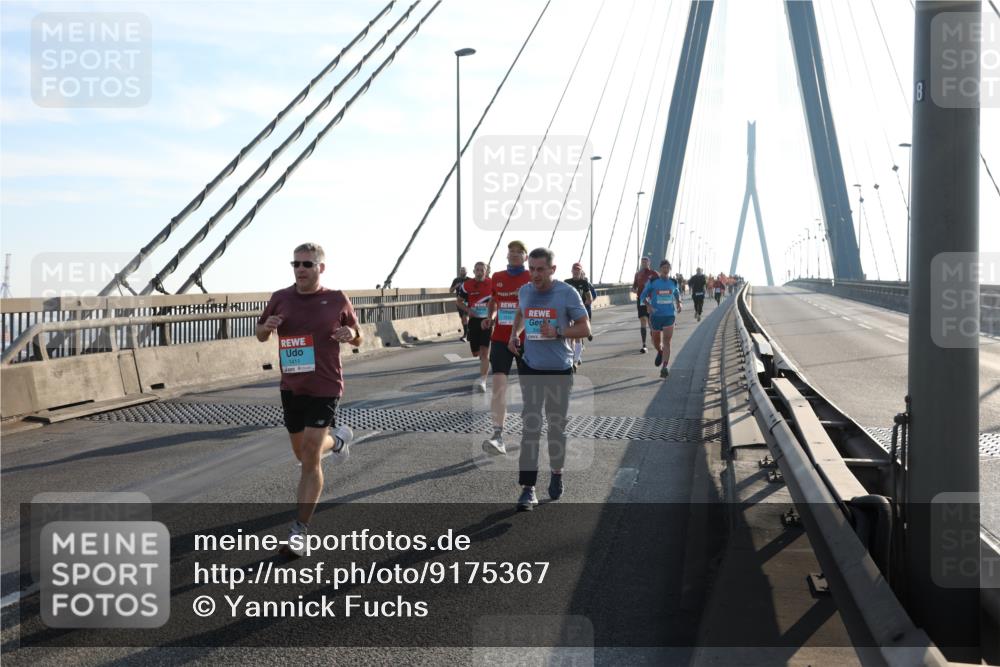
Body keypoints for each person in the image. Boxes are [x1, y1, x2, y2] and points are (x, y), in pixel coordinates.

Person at [256, 243, 362, 557]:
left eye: (307, 264)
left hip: (326, 384)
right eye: (296, 264)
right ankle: (339, 442)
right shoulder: (280, 297)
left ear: (320, 268)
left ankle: (299, 531)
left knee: (312, 456)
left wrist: (349, 334)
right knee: (302, 455)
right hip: (292, 386)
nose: (300, 269)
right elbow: (260, 333)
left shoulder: (337, 298)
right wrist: (267, 327)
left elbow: (358, 334)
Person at [507, 247, 590, 510]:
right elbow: (521, 313)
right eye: (531, 269)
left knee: (556, 428)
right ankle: (528, 489)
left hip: (559, 370)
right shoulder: (525, 291)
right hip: (531, 367)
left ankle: (557, 472)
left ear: (553, 270)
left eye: (540, 269)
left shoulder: (567, 293)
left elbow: (585, 328)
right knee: (530, 427)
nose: (534, 274)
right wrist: (513, 335)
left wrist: (558, 331)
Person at [481, 240, 532, 455]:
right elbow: (494, 301)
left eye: (518, 252)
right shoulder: (497, 277)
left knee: (529, 390)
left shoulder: (531, 277)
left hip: (526, 341)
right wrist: (489, 317)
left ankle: (530, 430)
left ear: (525, 257)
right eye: (510, 251)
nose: (513, 255)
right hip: (501, 338)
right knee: (498, 386)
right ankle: (498, 435)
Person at [640, 259, 682, 379]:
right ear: (660, 269)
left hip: (669, 315)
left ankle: (665, 367)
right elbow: (643, 296)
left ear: (670, 269)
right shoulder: (653, 282)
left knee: (667, 341)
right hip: (655, 316)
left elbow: (677, 293)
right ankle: (660, 351)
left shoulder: (673, 282)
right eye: (663, 267)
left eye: (667, 267)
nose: (665, 269)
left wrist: (679, 302)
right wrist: (648, 306)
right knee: (656, 342)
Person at [456, 261, 492, 392]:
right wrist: (468, 310)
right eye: (477, 269)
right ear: (473, 271)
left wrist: (491, 317)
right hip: (474, 321)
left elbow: (498, 302)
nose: (479, 272)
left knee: (484, 353)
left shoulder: (492, 284)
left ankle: (483, 381)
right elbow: (459, 302)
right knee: (476, 353)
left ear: (486, 271)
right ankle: (480, 359)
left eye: (482, 269)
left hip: (487, 321)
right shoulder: (467, 285)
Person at [564, 262, 594, 366]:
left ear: (581, 271)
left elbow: (589, 298)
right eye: (574, 269)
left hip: (578, 312)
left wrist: (582, 306)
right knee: (568, 335)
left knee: (577, 335)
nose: (576, 271)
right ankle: (572, 355)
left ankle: (577, 358)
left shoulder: (584, 283)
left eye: (578, 270)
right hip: (567, 311)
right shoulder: (566, 282)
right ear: (572, 271)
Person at [631, 256, 659, 354]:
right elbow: (634, 286)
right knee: (643, 320)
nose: (644, 263)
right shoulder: (638, 274)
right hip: (641, 299)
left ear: (649, 263)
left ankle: (655, 340)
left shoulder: (654, 273)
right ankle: (644, 345)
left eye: (645, 261)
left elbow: (659, 285)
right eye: (642, 262)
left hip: (651, 300)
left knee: (650, 321)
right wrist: (634, 289)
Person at [450, 267, 469, 341]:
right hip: (460, 302)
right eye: (461, 271)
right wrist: (455, 286)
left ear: (467, 272)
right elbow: (450, 290)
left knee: (465, 317)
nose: (462, 272)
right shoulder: (456, 280)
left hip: (468, 301)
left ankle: (466, 334)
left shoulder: (469, 280)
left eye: (464, 271)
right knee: (463, 318)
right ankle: (466, 332)